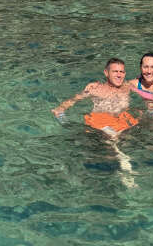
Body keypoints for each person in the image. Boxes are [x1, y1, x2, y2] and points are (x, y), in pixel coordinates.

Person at [51, 58, 139, 187]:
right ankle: (126, 171)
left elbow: (149, 82)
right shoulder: (95, 89)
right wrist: (61, 109)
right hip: (101, 123)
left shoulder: (128, 86)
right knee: (113, 141)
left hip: (121, 122)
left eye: (122, 71)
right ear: (106, 72)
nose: (119, 74)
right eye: (115, 71)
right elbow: (74, 99)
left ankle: (120, 165)